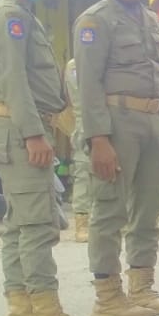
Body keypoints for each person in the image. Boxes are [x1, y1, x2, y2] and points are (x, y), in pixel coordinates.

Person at [0, 0, 100, 316]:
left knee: (19, 223)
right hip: (19, 129)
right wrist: (34, 133)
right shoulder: (7, 16)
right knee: (36, 224)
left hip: (17, 128)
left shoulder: (21, 14)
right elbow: (15, 80)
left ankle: (22, 311)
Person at [73, 0, 159, 316]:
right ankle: (108, 298)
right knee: (109, 210)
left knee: (148, 209)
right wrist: (98, 139)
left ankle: (142, 287)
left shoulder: (150, 19)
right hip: (116, 120)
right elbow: (88, 84)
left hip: (152, 120)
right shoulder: (95, 21)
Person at [65, 59, 93, 242]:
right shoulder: (75, 65)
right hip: (86, 122)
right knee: (84, 172)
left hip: (108, 121)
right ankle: (82, 223)